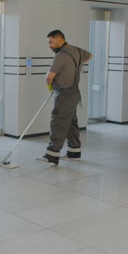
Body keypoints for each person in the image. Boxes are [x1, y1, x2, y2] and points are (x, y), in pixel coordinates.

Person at [38, 30, 93, 166]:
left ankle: (52, 155)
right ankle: (74, 153)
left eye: (51, 42)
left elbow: (49, 76)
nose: (49, 45)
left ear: (59, 39)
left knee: (58, 122)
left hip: (64, 94)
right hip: (74, 93)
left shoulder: (61, 55)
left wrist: (50, 86)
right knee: (70, 123)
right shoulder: (77, 51)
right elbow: (90, 56)